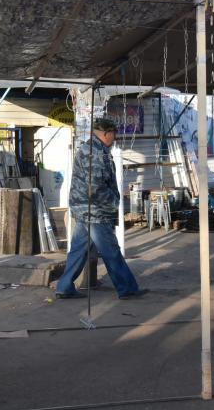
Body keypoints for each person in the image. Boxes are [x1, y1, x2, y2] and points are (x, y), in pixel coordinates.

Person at [54, 116, 147, 300]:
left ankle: (64, 287)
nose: (115, 138)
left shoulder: (95, 149)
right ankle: (127, 288)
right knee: (111, 250)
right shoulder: (94, 152)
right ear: (106, 133)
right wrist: (113, 202)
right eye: (114, 134)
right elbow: (94, 186)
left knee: (79, 249)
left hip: (87, 209)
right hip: (95, 211)